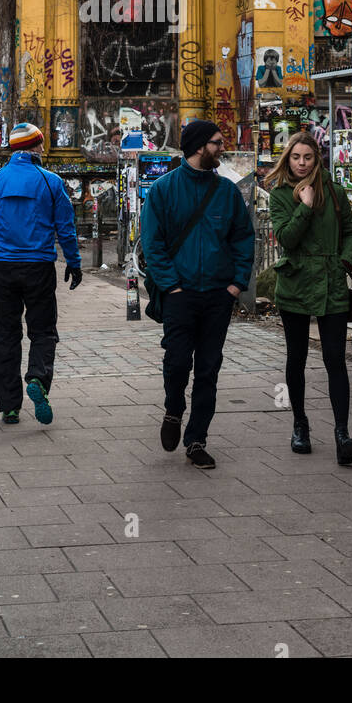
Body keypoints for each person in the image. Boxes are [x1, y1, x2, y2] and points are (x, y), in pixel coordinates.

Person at [140, 119, 255, 470]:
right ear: (199, 147)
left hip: (218, 296)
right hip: (179, 295)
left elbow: (243, 238)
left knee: (208, 369)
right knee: (177, 362)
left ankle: (197, 439)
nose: (222, 148)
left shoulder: (227, 192)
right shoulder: (162, 190)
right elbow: (152, 243)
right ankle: (174, 410)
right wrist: (171, 286)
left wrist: (236, 284)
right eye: (217, 143)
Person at [0, 122, 82, 426]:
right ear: (34, 146)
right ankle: (38, 378)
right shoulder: (50, 182)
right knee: (43, 331)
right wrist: (74, 262)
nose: (43, 148)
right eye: (40, 144)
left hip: (4, 268)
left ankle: (9, 405)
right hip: (39, 267)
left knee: (6, 334)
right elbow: (65, 228)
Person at [267, 130, 352, 465]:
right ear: (288, 159)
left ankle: (342, 433)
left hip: (332, 284)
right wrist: (305, 206)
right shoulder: (279, 195)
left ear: (316, 159)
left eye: (308, 157)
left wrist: (344, 262)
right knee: (297, 359)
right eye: (296, 158)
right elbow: (287, 239)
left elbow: (350, 232)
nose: (302, 163)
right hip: (294, 285)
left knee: (335, 359)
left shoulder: (335, 192)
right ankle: (300, 424)